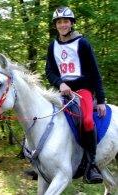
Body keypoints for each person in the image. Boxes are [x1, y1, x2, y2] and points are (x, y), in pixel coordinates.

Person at [45, 6, 106, 184]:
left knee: (86, 121)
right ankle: (42, 162)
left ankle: (91, 164)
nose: (62, 25)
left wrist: (100, 100)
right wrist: (60, 83)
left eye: (65, 21)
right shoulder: (53, 46)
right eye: (59, 22)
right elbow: (49, 71)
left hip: (83, 91)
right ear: (55, 25)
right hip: (63, 92)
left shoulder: (82, 43)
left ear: (71, 23)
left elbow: (95, 72)